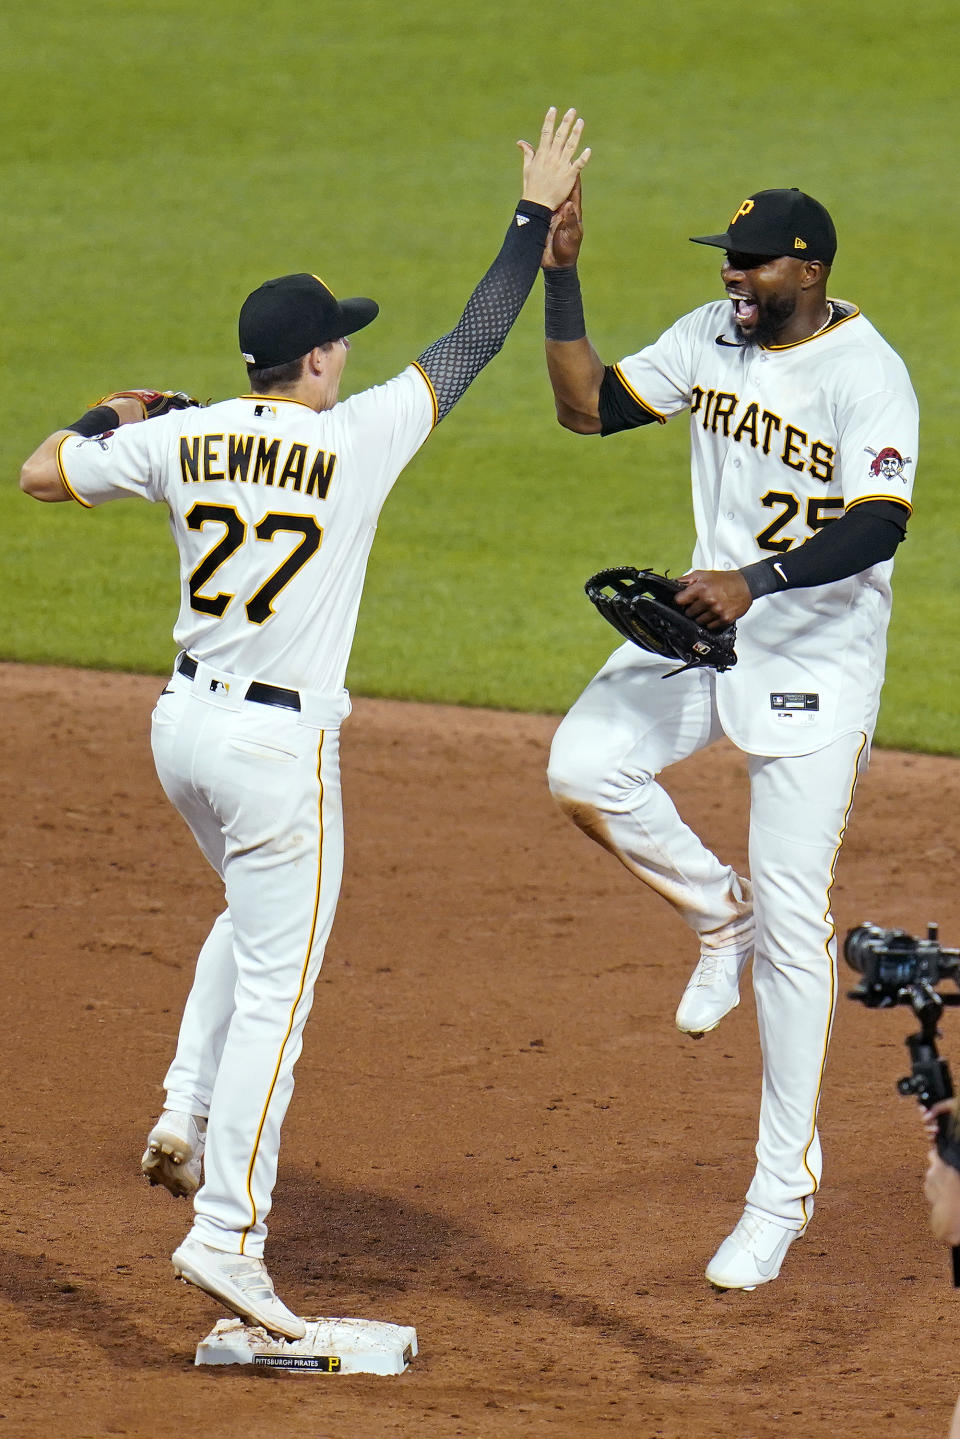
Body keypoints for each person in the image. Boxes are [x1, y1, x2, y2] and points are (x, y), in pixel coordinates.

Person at [20, 108, 590, 1340]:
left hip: (180, 734)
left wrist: (125, 409)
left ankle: (182, 1108)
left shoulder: (180, 435)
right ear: (320, 361)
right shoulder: (357, 439)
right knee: (282, 979)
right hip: (280, 756)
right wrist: (533, 214)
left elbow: (41, 469)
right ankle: (228, 1233)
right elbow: (478, 335)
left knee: (248, 915)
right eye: (339, 342)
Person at [539, 181, 918, 1289]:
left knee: (803, 929)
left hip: (812, 659)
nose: (730, 277)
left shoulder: (867, 373)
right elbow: (586, 408)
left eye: (751, 262)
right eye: (728, 258)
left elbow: (882, 520)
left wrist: (755, 580)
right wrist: (560, 275)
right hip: (711, 627)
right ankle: (718, 915)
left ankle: (779, 1192)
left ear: (810, 269)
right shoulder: (711, 334)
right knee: (584, 768)